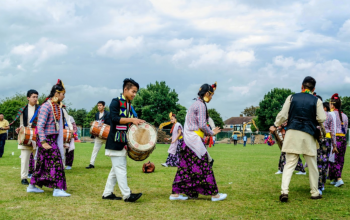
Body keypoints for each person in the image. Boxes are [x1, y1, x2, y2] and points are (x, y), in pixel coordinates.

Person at [270, 76, 326, 202]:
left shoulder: (291, 97)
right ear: (314, 88)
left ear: (302, 86)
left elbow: (283, 115)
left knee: (289, 164)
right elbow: (322, 118)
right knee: (312, 165)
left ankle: (284, 191)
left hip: (292, 132)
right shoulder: (317, 100)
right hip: (308, 134)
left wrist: (275, 124)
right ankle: (315, 192)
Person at [170, 82, 227, 202]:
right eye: (211, 95)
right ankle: (214, 194)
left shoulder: (194, 104)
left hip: (188, 141)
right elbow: (201, 125)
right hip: (193, 141)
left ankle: (177, 193)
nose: (211, 97)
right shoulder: (200, 105)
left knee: (185, 167)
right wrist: (211, 132)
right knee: (205, 165)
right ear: (207, 93)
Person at [27, 79, 73, 197]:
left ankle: (31, 186)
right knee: (57, 163)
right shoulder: (46, 106)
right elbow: (40, 126)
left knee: (41, 164)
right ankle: (57, 189)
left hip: (52, 139)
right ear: (56, 94)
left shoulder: (57, 106)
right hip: (46, 140)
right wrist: (43, 141)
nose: (64, 96)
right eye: (63, 94)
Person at [102, 78, 144, 202]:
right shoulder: (115, 102)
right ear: (125, 89)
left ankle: (107, 193)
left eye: (136, 92)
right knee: (120, 169)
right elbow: (114, 119)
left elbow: (132, 119)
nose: (134, 94)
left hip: (122, 142)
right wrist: (132, 120)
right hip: (115, 141)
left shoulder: (128, 105)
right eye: (133, 91)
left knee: (115, 170)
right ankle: (127, 195)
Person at [9, 90, 40, 185]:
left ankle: (37, 177)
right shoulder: (23, 109)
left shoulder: (40, 108)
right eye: (33, 97)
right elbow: (22, 123)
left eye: (36, 97)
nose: (35, 99)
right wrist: (20, 129)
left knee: (38, 158)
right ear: (28, 98)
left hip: (37, 136)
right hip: (26, 136)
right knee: (25, 159)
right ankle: (24, 178)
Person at [328, 93, 349, 187]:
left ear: (332, 105)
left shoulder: (330, 114)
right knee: (340, 158)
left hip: (335, 139)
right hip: (343, 139)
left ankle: (339, 178)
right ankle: (335, 178)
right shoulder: (344, 116)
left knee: (333, 159)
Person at [316, 101, 336, 195]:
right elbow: (332, 131)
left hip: (319, 139)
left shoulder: (318, 115)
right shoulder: (330, 116)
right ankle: (322, 184)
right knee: (325, 162)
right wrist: (334, 145)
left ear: (324, 107)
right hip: (327, 140)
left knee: (318, 163)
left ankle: (318, 186)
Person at [86, 101, 111, 169]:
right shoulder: (97, 114)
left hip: (106, 136)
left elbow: (109, 124)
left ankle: (115, 164)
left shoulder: (108, 114)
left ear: (104, 106)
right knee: (95, 150)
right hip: (99, 136)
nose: (99, 107)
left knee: (111, 150)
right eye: (98, 105)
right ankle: (91, 164)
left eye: (100, 105)